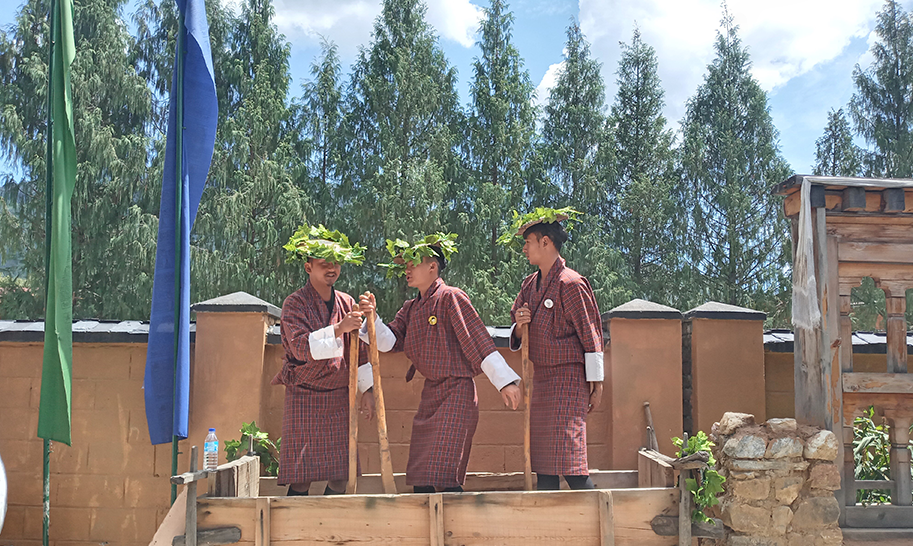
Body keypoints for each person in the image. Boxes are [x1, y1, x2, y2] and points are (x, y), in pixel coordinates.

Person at [358, 233, 522, 493]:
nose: (407, 270)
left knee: (445, 473)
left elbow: (478, 340)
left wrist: (505, 382)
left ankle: (455, 518)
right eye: (405, 266)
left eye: (413, 264)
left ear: (432, 267)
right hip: (431, 394)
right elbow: (390, 342)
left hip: (457, 393)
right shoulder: (411, 308)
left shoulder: (451, 297)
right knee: (421, 474)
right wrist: (372, 318)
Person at [272, 225, 376, 496]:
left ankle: (330, 520)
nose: (332, 268)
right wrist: (340, 328)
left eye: (336, 262)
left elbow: (359, 352)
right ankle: (297, 522)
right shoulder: (294, 303)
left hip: (339, 397)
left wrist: (368, 390)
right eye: (324, 263)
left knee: (341, 475)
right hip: (304, 395)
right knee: (301, 478)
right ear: (308, 267)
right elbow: (300, 347)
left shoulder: (347, 302)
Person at [508, 210, 604, 490]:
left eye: (528, 242)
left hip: (568, 379)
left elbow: (591, 334)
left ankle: (595, 509)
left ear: (546, 242)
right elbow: (515, 327)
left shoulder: (571, 283)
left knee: (571, 461)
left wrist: (596, 383)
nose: (524, 249)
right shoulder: (529, 285)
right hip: (542, 379)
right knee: (544, 465)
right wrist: (520, 325)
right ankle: (546, 515)